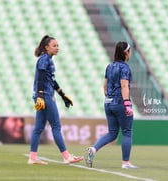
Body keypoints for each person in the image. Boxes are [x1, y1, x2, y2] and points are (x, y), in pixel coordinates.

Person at [28, 35, 83, 165]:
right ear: (47, 47)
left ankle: (32, 157)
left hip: (43, 94)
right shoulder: (44, 59)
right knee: (56, 125)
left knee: (39, 127)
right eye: (54, 46)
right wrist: (41, 95)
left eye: (58, 45)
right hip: (45, 95)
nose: (57, 48)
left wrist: (62, 95)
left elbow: (51, 80)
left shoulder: (48, 60)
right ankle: (66, 156)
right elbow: (41, 77)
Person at [85, 41, 138, 169]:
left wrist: (110, 98)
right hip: (120, 102)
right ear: (126, 52)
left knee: (112, 133)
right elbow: (124, 86)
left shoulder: (109, 66)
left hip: (108, 102)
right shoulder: (124, 67)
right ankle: (125, 163)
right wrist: (127, 104)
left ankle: (94, 149)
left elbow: (104, 86)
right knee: (127, 132)